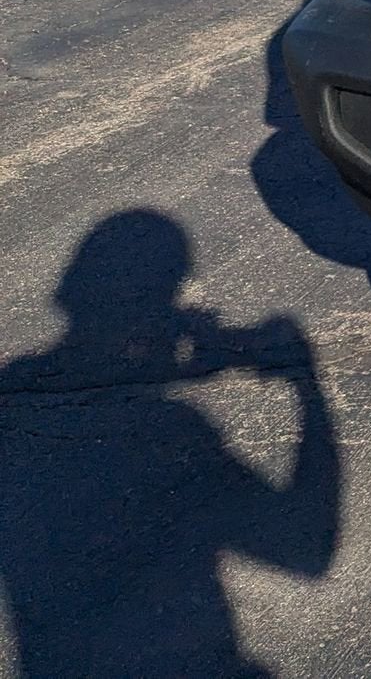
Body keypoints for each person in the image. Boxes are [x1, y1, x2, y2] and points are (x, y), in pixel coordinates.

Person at [0, 211, 342, 678]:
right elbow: (306, 551)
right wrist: (307, 388)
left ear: (68, 292)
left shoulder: (16, 392)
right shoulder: (176, 426)